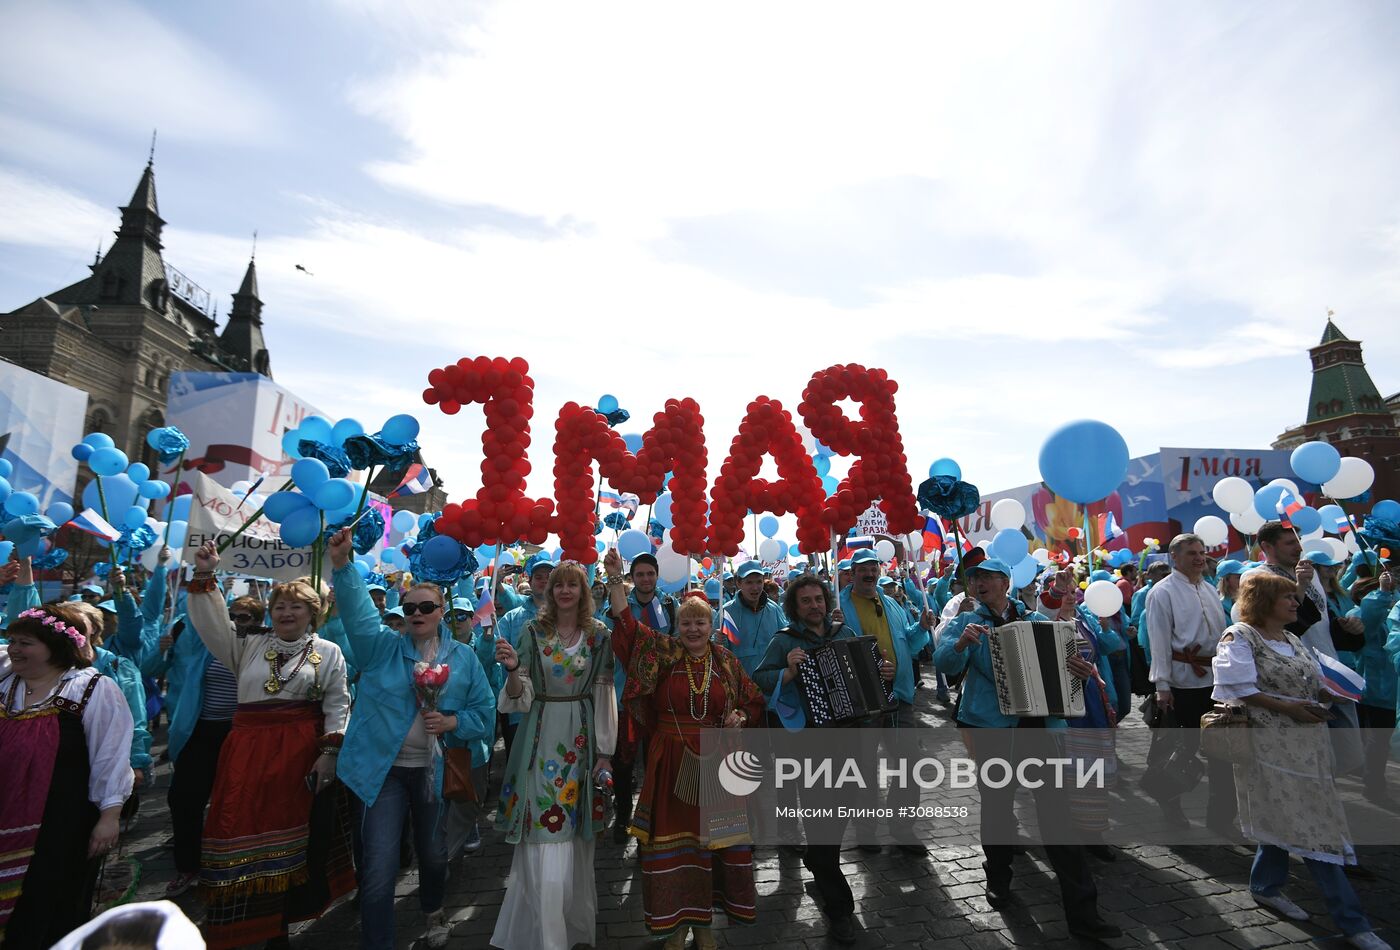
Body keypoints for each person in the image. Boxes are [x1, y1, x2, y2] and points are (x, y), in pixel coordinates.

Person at [934, 557, 1120, 940]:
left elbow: (1067, 672)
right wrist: (961, 644)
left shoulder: (1038, 622)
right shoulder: (967, 621)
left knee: (1057, 816)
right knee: (998, 809)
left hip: (1038, 728)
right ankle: (998, 877)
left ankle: (1084, 914)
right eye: (974, 578)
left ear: (1005, 582)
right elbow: (943, 662)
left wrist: (1079, 673)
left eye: (987, 577)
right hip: (991, 729)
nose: (980, 583)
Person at [187, 541, 353, 950]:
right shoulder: (248, 645)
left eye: (296, 606)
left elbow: (338, 702)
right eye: (280, 605)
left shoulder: (328, 651)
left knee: (295, 836)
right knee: (239, 825)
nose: (286, 612)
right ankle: (247, 924)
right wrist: (206, 575)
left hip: (299, 754)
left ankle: (281, 924)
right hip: (247, 753)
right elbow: (212, 625)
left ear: (313, 613)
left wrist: (329, 754)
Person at [1212, 572, 1391, 950]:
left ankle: (1264, 885)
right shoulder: (1240, 636)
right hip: (1267, 747)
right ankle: (1353, 923)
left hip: (1307, 745)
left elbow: (1310, 681)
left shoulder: (1292, 638)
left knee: (1286, 816)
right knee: (1314, 829)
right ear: (1263, 602)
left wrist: (1334, 693)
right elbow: (1239, 688)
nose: (1296, 603)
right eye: (1288, 598)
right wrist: (1288, 708)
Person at [333, 539, 496, 950]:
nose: (417, 614)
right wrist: (342, 565)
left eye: (426, 607)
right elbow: (358, 615)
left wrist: (453, 720)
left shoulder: (463, 658)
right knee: (378, 869)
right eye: (409, 608)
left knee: (434, 854)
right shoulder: (380, 649)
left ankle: (432, 911)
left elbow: (485, 712)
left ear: (442, 612)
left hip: (434, 773)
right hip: (381, 774)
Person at [603, 549, 763, 948]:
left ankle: (705, 927)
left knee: (711, 849)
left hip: (718, 767)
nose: (693, 629)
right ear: (677, 626)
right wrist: (613, 579)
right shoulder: (664, 654)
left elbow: (754, 699)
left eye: (700, 622)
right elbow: (627, 627)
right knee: (673, 850)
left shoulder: (725, 662)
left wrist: (739, 717)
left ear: (711, 625)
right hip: (671, 763)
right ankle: (675, 927)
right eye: (686, 622)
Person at [752, 573, 891, 944]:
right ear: (794, 607)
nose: (815, 606)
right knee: (819, 821)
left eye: (819, 599)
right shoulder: (785, 641)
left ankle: (817, 859)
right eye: (806, 601)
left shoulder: (844, 635)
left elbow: (870, 675)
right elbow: (759, 677)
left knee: (840, 814)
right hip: (808, 744)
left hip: (848, 739)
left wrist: (882, 673)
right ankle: (840, 907)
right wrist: (788, 670)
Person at [490, 560, 616, 950]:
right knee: (544, 828)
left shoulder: (599, 636)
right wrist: (512, 669)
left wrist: (605, 752)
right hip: (539, 736)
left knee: (576, 835)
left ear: (583, 591)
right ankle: (547, 936)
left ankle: (572, 926)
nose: (563, 591)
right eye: (558, 584)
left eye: (572, 585)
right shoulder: (532, 631)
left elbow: (604, 693)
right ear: (548, 591)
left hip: (580, 738)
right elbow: (518, 696)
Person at [0, 604, 134, 950]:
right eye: (11, 640)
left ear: (55, 646)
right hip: (4, 814)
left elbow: (111, 756)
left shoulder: (91, 689)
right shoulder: (5, 682)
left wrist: (109, 816)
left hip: (60, 824)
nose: (14, 649)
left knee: (49, 906)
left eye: (25, 642)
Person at [160, 593, 265, 898]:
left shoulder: (263, 649)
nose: (235, 622)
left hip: (241, 735)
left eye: (244, 618)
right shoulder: (204, 646)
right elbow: (198, 612)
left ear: (259, 623)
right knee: (183, 799)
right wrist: (205, 577)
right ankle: (188, 866)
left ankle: (237, 864)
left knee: (237, 803)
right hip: (201, 732)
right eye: (231, 616)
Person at [838, 548, 934, 853]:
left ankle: (902, 827)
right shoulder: (838, 606)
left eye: (873, 568)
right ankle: (866, 830)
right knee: (864, 768)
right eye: (862, 569)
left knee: (909, 762)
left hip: (900, 695)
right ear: (851, 574)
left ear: (879, 571)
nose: (869, 574)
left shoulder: (891, 602)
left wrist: (920, 628)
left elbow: (910, 641)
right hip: (863, 700)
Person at [1145, 533, 1234, 833]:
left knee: (1221, 750)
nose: (1199, 558)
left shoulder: (1209, 589)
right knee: (1180, 750)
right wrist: (1162, 687)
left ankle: (1220, 816)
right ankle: (1170, 801)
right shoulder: (1162, 592)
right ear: (1174, 557)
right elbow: (1158, 642)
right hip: (1182, 684)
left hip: (1215, 682)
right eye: (1192, 553)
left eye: (1202, 552)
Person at [604, 551, 678, 841]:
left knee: (656, 761)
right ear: (632, 578)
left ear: (657, 575)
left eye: (650, 573)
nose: (646, 579)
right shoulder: (620, 604)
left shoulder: (671, 605)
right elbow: (609, 638)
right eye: (640, 574)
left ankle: (652, 818)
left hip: (659, 697)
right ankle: (623, 812)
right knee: (623, 761)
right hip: (625, 693)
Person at [494, 553, 554, 757]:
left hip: (555, 707)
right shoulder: (513, 617)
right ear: (530, 580)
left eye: (549, 576)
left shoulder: (568, 618)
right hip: (520, 708)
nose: (544, 581)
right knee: (519, 766)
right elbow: (494, 652)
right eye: (538, 576)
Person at [1352, 566, 1397, 808]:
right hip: (1378, 690)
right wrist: (1381, 592)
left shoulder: (1392, 615)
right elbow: (1370, 618)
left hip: (1391, 690)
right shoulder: (1359, 616)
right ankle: (1373, 786)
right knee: (1378, 741)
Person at [719, 561, 787, 677]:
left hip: (771, 688)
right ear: (739, 583)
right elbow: (721, 652)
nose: (755, 588)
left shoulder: (774, 610)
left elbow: (785, 643)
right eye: (749, 582)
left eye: (759, 582)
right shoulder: (727, 613)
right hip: (741, 686)